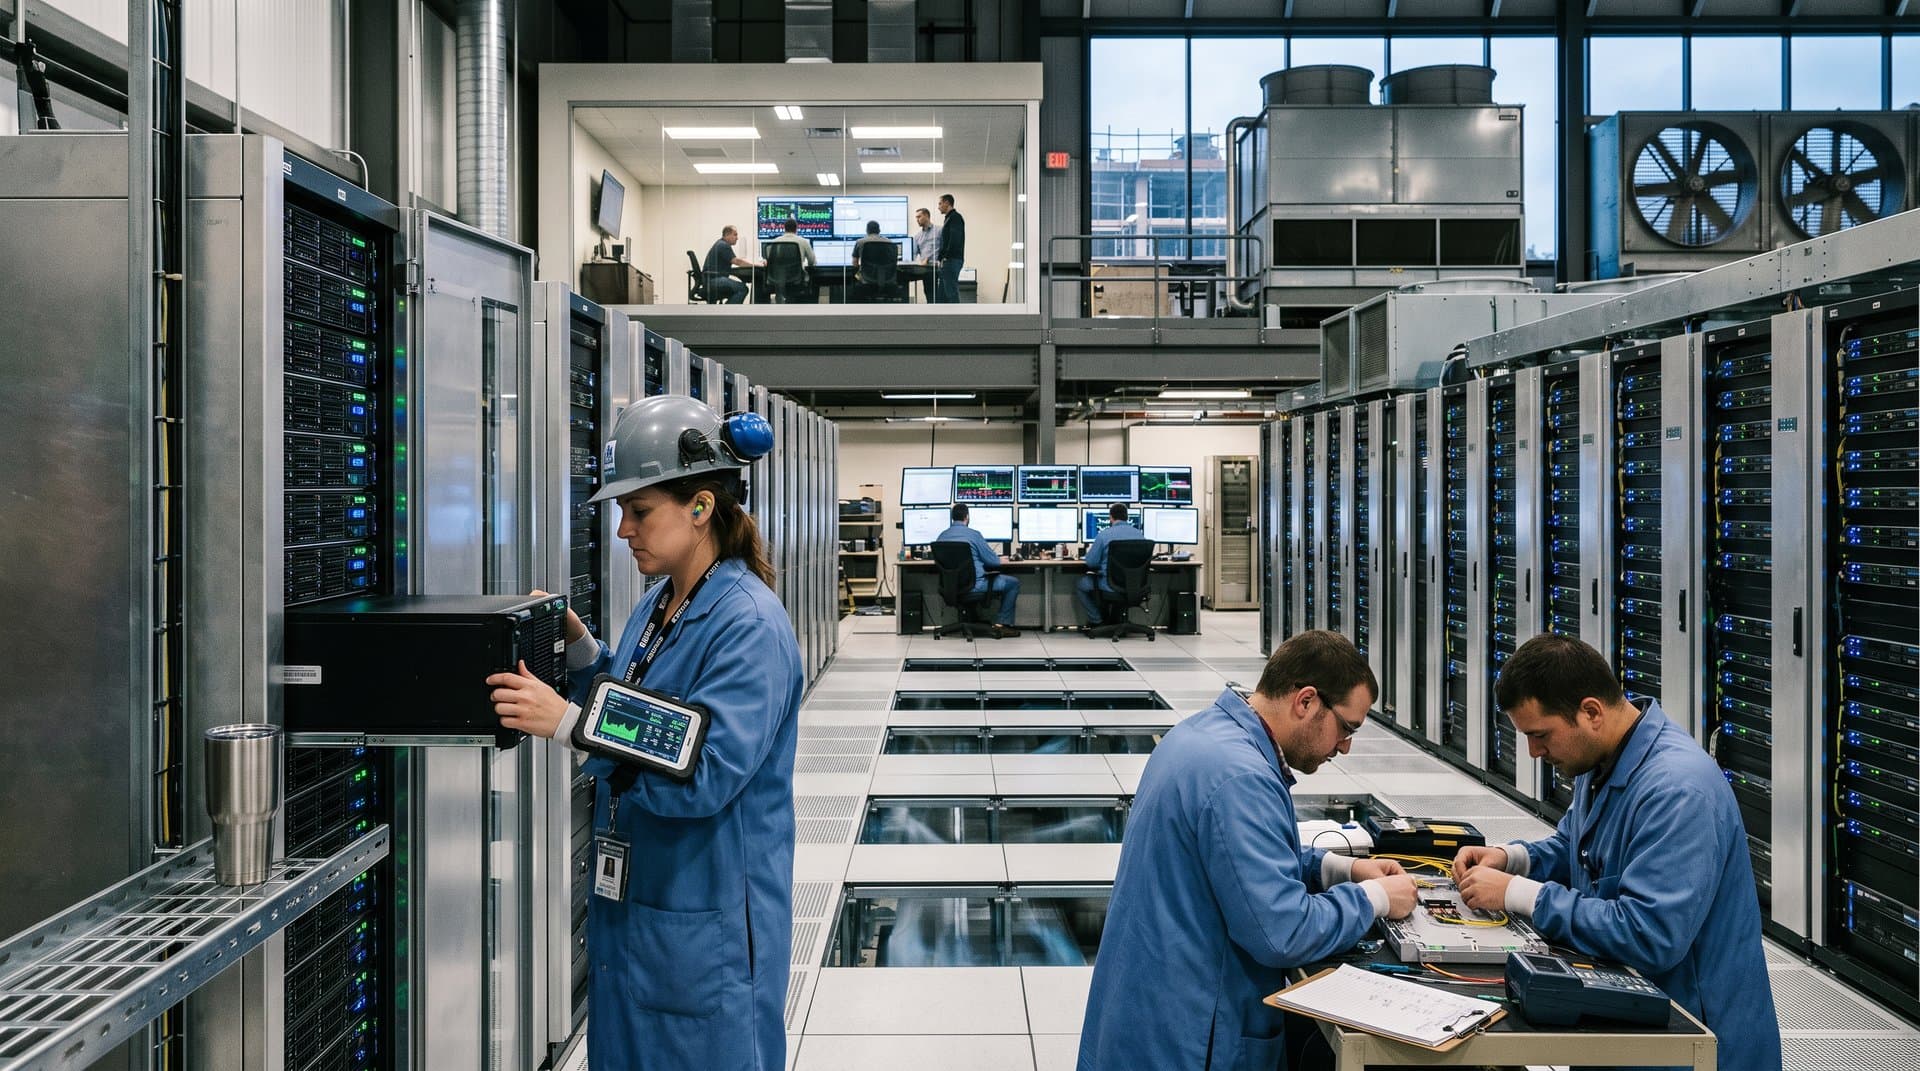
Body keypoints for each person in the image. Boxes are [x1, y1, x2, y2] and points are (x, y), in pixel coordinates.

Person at [485, 394, 801, 1070]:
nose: (624, 528)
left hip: (702, 926)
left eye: (639, 510)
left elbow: (704, 769)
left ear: (700, 506)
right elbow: (636, 704)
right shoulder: (664, 602)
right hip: (642, 912)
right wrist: (578, 651)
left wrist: (570, 724)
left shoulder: (747, 623)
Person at [1079, 630, 1416, 1071]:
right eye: (1347, 728)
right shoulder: (1242, 777)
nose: (1345, 746)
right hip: (1190, 1033)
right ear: (1306, 701)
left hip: (1148, 1009)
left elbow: (1240, 857)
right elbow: (1283, 931)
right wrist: (1376, 899)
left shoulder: (1205, 735)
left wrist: (1343, 869)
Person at [1453, 634, 1782, 1071]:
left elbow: (1650, 935)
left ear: (1591, 712)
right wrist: (1512, 859)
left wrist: (1517, 893)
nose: (1533, 752)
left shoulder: (1677, 790)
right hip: (1628, 1018)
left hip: (1693, 1046)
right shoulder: (1603, 757)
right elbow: (1577, 847)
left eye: (1540, 735)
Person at [934, 503, 1020, 637]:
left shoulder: (941, 536)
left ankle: (972, 620)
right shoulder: (974, 535)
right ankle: (1001, 624)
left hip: (950, 588)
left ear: (952, 518)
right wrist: (1001, 559)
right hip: (975, 586)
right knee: (1013, 583)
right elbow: (992, 561)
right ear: (967, 517)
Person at [1074, 502, 1149, 632]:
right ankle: (1116, 619)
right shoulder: (1140, 535)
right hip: (1135, 586)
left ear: (1111, 517)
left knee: (1081, 584)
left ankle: (1097, 621)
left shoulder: (1104, 535)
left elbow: (1091, 563)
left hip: (1110, 585)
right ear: (1127, 517)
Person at [702, 224, 760, 304]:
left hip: (710, 279)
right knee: (743, 288)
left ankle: (726, 311)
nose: (737, 238)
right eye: (735, 235)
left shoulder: (720, 244)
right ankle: (728, 312)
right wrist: (756, 265)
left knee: (738, 288)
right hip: (714, 280)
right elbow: (737, 261)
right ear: (727, 235)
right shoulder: (723, 245)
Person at [935, 193, 965, 304]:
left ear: (947, 203)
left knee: (951, 294)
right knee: (942, 296)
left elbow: (954, 240)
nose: (938, 207)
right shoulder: (949, 218)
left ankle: (956, 320)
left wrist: (944, 257)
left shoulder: (955, 217)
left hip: (951, 260)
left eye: (940, 203)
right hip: (949, 261)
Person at [911, 206, 941, 303]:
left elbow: (945, 248)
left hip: (939, 268)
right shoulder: (917, 237)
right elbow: (914, 256)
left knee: (941, 296)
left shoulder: (939, 231)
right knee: (930, 296)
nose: (917, 220)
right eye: (916, 217)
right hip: (926, 270)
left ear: (927, 216)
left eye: (919, 217)